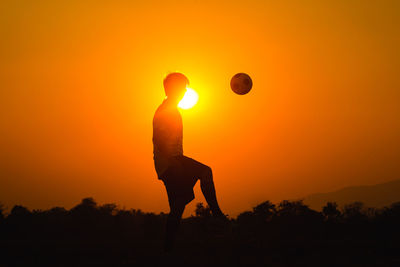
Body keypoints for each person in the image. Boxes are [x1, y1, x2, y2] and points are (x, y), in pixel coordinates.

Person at [153, 72, 225, 252]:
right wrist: (172, 162)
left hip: (168, 162)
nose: (185, 91)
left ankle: (167, 249)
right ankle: (217, 215)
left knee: (179, 202)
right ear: (172, 89)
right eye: (182, 88)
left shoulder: (171, 109)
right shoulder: (165, 110)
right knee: (205, 172)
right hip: (171, 162)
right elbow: (159, 139)